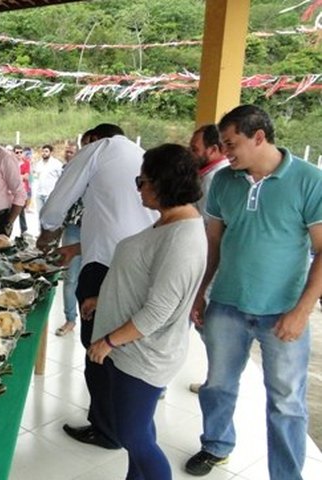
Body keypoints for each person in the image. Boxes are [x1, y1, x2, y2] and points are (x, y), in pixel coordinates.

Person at [184, 105, 322, 479]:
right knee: (217, 385)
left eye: (231, 143)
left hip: (283, 310)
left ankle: (287, 474)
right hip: (226, 303)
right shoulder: (225, 182)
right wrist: (200, 293)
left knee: (287, 402)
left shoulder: (309, 180)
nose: (225, 151)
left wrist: (301, 312)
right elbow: (212, 244)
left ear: (258, 136)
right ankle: (216, 446)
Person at [87, 144, 206, 480]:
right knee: (138, 431)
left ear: (163, 184)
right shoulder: (167, 223)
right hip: (131, 350)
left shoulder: (183, 237)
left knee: (133, 437)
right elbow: (142, 278)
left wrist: (109, 341)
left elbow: (158, 311)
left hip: (141, 355)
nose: (138, 188)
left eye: (142, 182)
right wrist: (105, 299)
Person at [37, 123, 157, 450]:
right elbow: (113, 217)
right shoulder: (140, 154)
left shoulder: (98, 150)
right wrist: (77, 248)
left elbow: (55, 207)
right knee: (121, 347)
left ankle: (105, 429)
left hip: (104, 269)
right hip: (138, 265)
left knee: (97, 348)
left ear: (92, 140)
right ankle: (123, 421)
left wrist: (46, 234)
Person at [186, 123, 230, 394]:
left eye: (195, 149)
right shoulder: (206, 175)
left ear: (214, 150)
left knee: (205, 326)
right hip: (198, 261)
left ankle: (216, 382)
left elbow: (208, 229)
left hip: (206, 265)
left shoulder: (215, 179)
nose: (191, 153)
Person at [54, 134, 89, 337]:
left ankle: (90, 319)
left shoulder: (100, 172)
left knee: (93, 278)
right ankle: (70, 319)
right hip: (73, 229)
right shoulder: (68, 171)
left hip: (95, 231)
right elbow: (60, 203)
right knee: (70, 277)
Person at [33, 143, 62, 216]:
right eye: (43, 151)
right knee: (40, 215)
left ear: (51, 153)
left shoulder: (57, 164)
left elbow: (61, 178)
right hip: (39, 193)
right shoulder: (39, 164)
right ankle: (40, 227)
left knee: (48, 215)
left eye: (46, 151)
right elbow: (35, 177)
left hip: (50, 193)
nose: (44, 153)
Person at [14, 145, 32, 234]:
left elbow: (27, 177)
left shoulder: (26, 163)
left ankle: (23, 230)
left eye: (21, 152)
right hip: (12, 191)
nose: (19, 154)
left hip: (23, 190)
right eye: (17, 152)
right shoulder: (11, 163)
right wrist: (21, 176)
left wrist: (18, 177)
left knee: (21, 211)